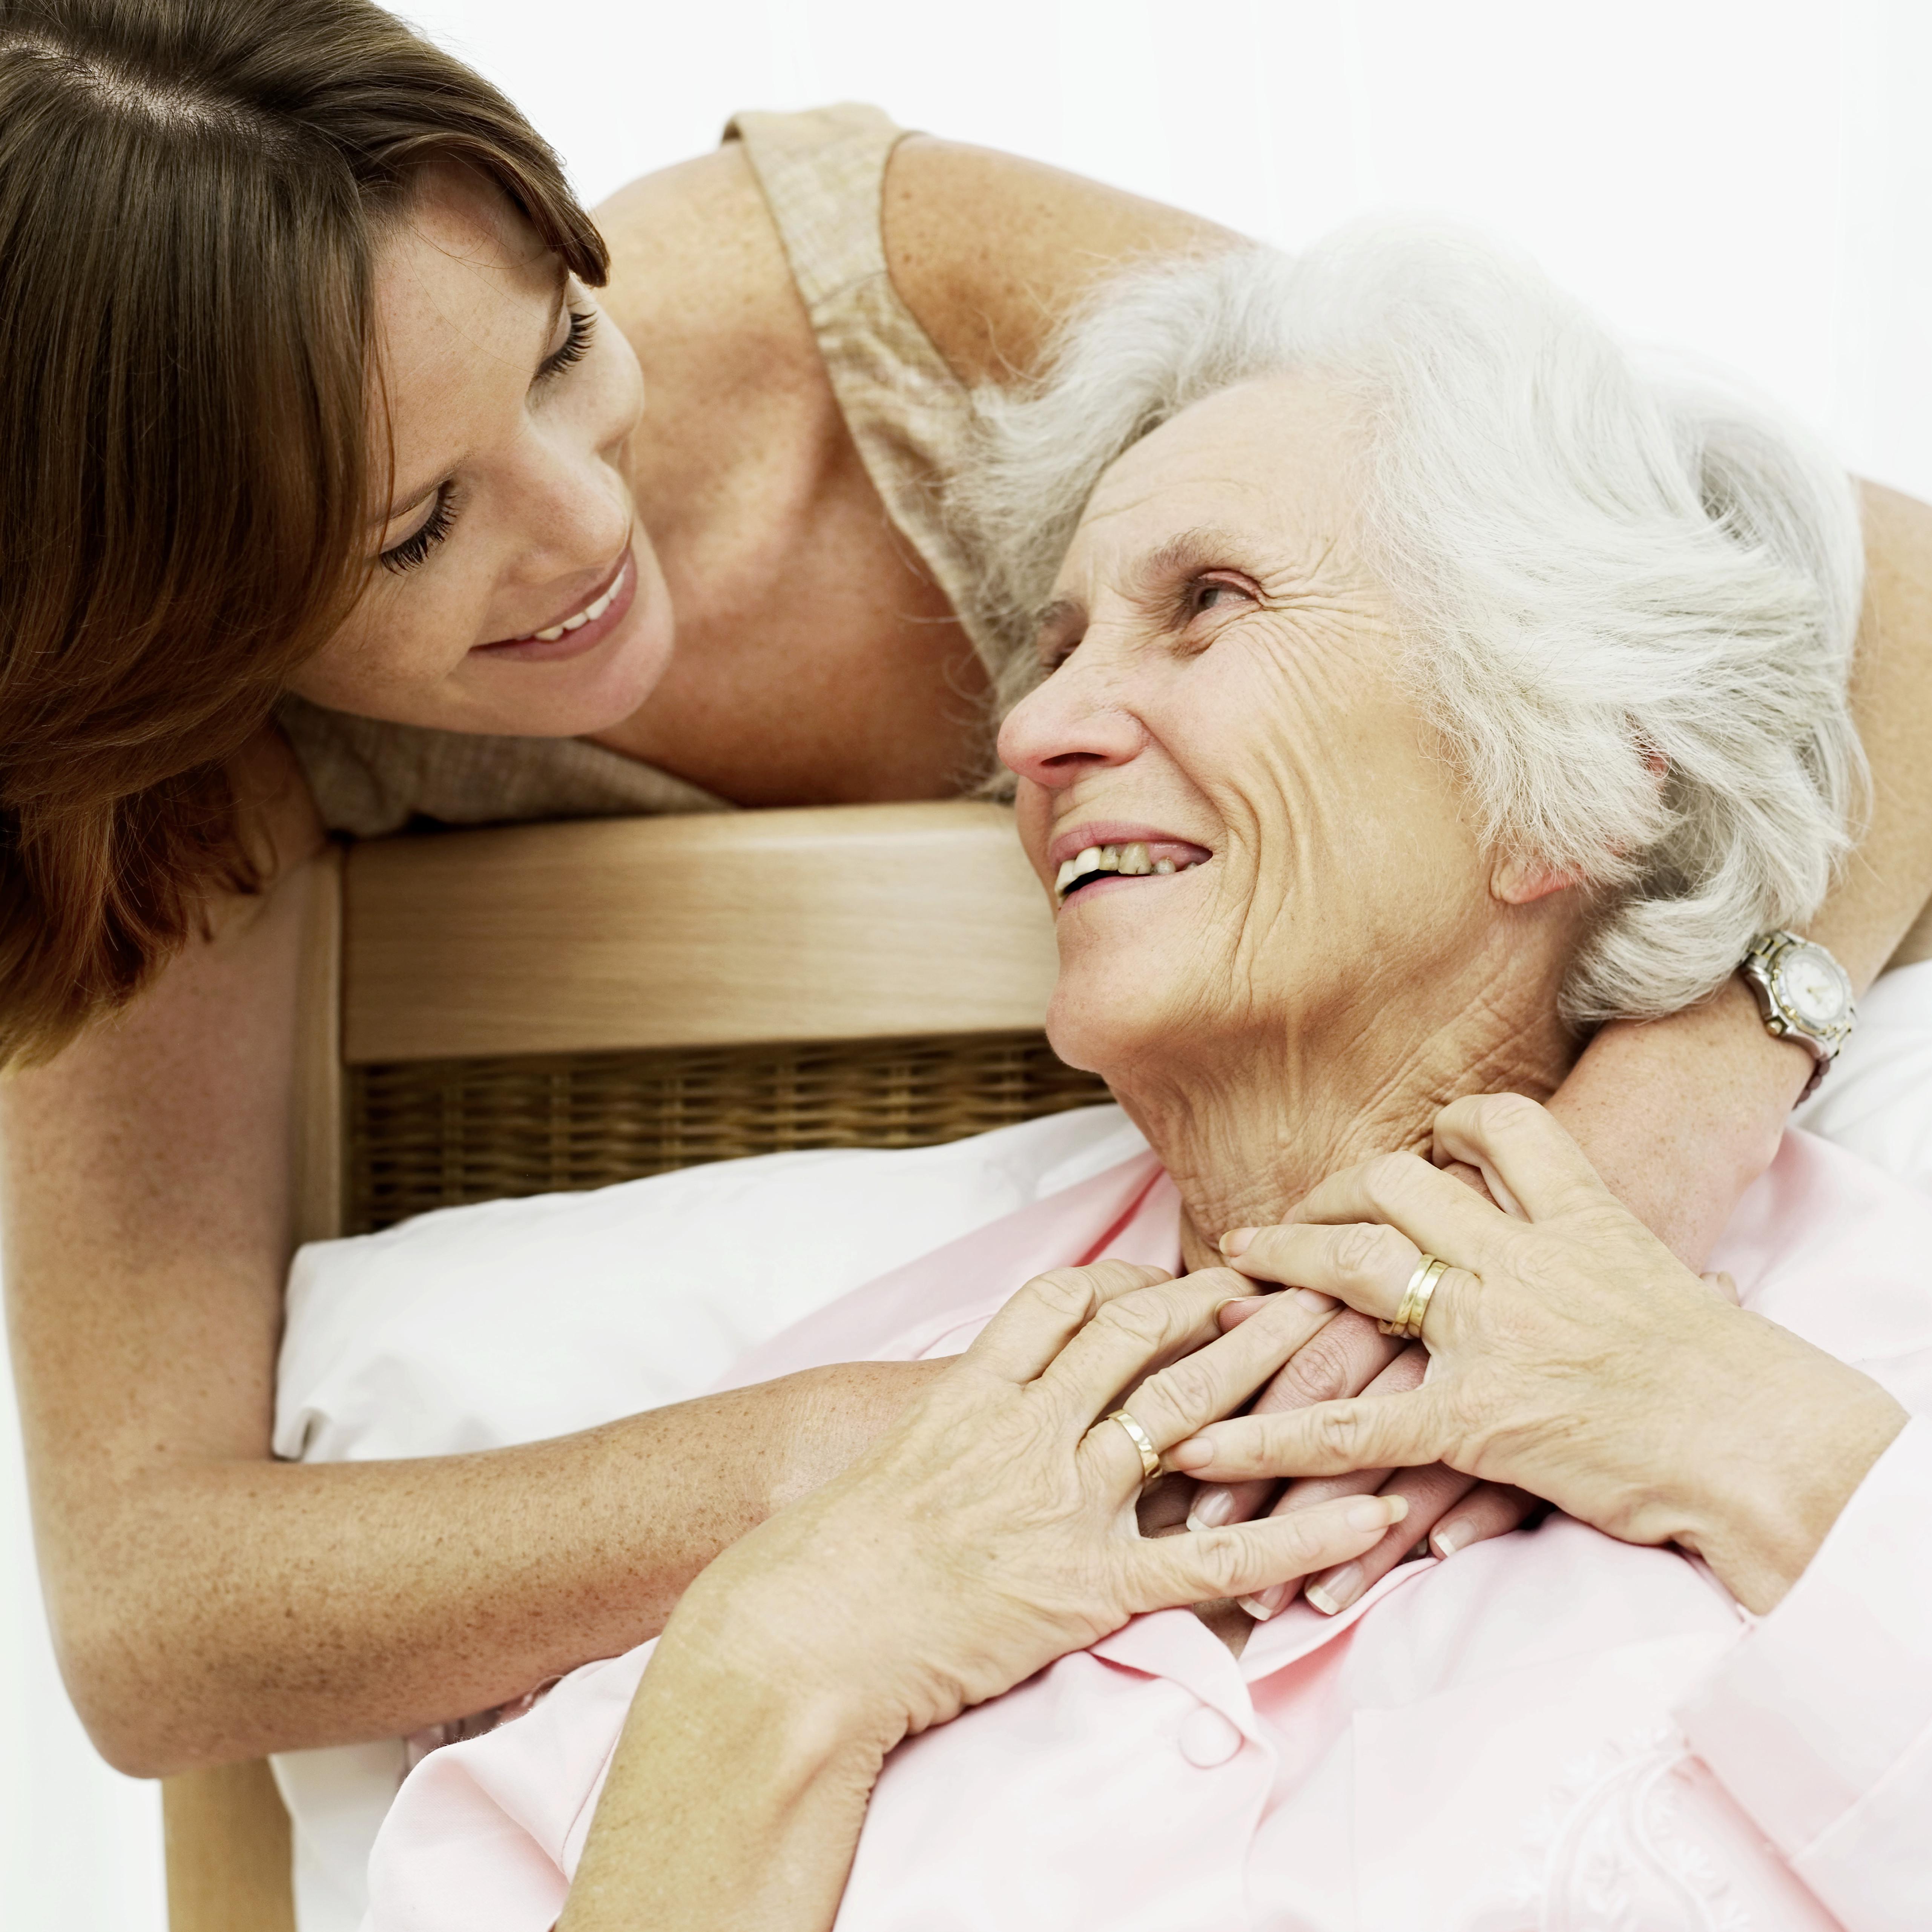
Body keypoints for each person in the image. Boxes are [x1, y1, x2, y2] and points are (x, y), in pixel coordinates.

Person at [1, 0, 1929, 1787]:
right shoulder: (162, 786)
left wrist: (1658, 1134)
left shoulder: (882, 275)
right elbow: (153, 1615)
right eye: (420, 527)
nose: (589, 519)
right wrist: (887, 1454)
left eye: (565, 349)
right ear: (175, 634)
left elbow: (1863, 592)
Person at [361, 235, 1929, 1932]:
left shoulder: (1859, 1336)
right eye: (1058, 647)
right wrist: (767, 1674)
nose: (1038, 733)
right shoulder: (865, 1454)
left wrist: (1739, 1438)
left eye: (1209, 607)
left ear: (1584, 772)